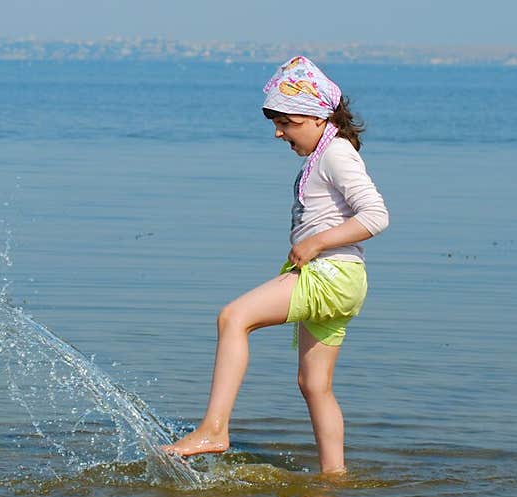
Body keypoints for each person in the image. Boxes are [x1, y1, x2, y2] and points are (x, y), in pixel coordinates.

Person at [163, 55, 389, 475]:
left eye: (286, 122)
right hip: (345, 282)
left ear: (317, 115)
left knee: (234, 317)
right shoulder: (324, 154)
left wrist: (316, 242)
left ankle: (214, 429)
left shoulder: (336, 154)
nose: (278, 132)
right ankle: (333, 479)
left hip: (330, 274)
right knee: (314, 386)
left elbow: (376, 216)